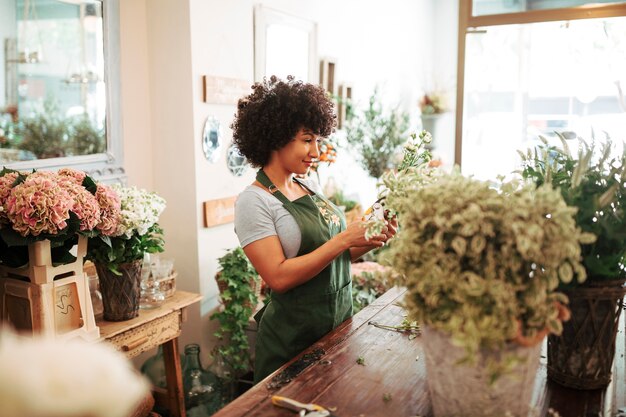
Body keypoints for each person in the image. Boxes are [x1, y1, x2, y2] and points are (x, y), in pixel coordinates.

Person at [231, 75, 397, 383]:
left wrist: (371, 238)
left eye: (318, 141)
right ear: (276, 137)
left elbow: (335, 254)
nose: (316, 152)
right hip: (290, 345)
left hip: (336, 332)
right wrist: (346, 238)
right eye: (307, 140)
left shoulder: (308, 185)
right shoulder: (253, 202)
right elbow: (278, 277)